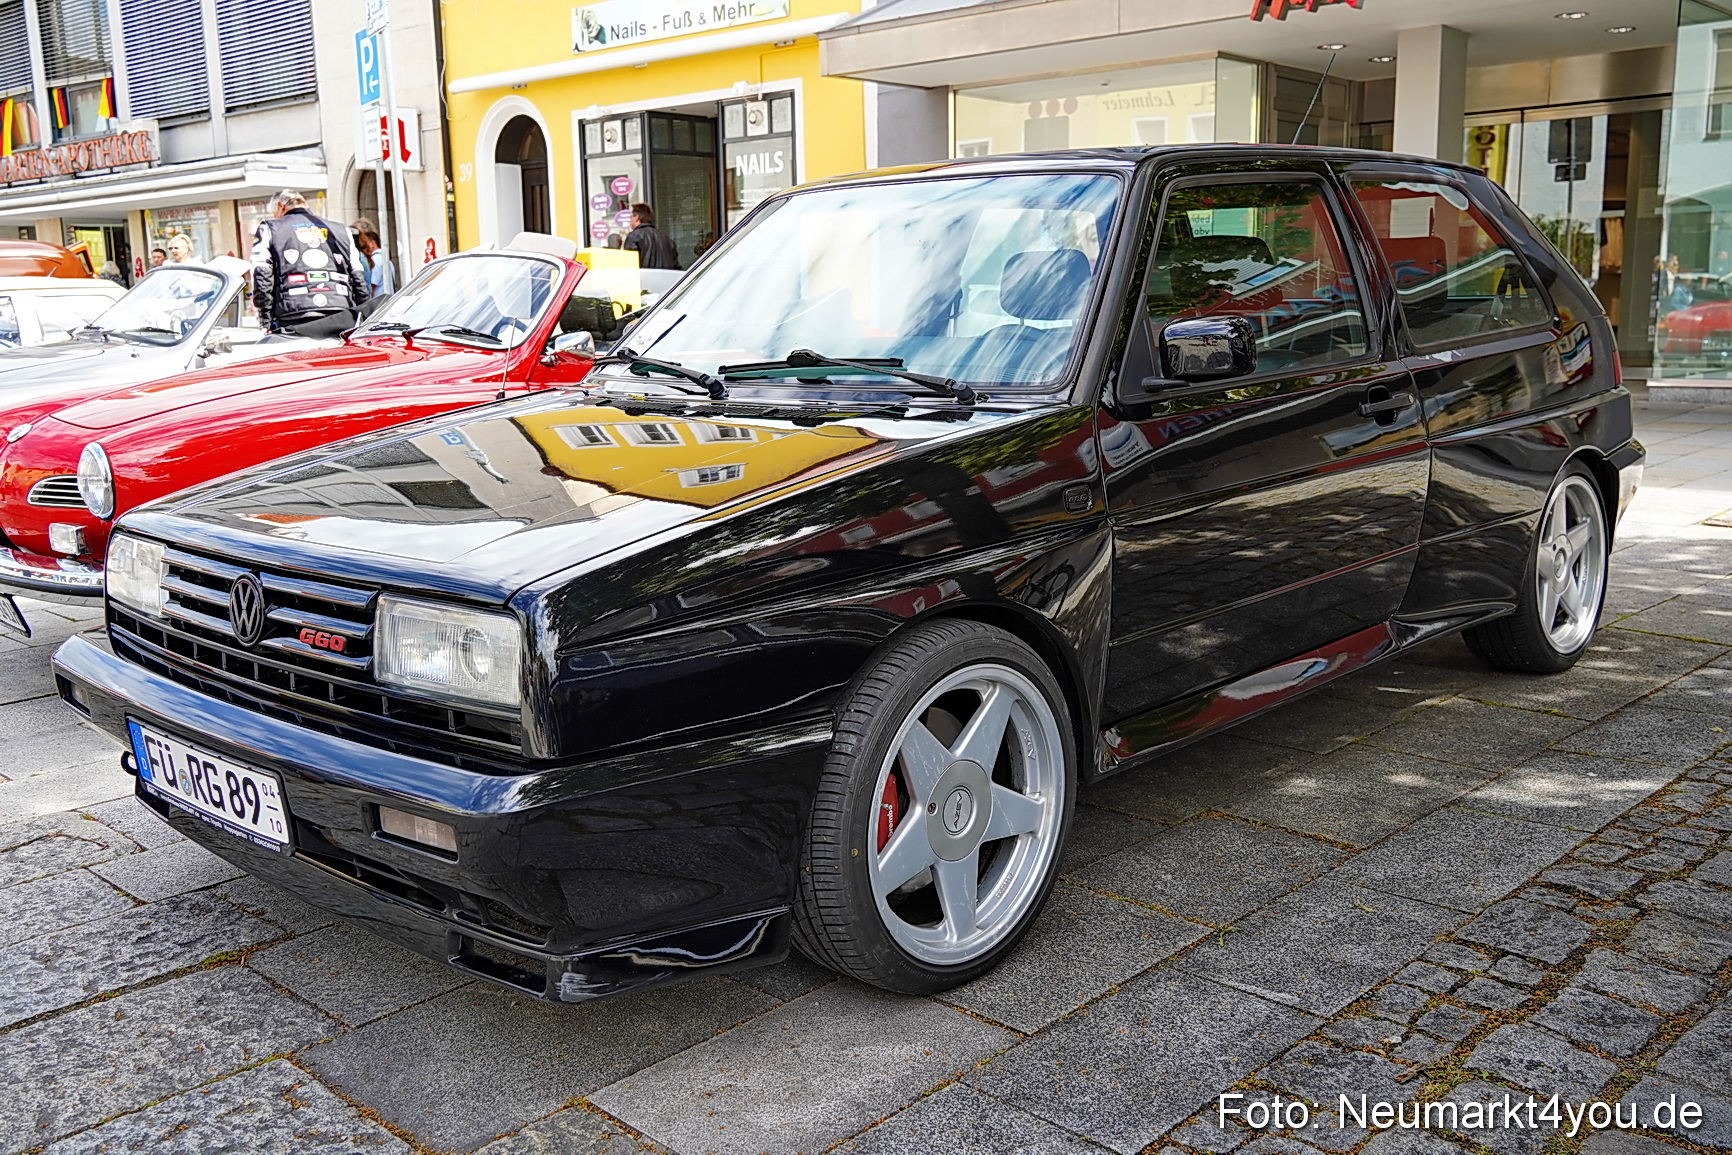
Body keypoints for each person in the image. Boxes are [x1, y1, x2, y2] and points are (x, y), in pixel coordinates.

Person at [251, 189, 367, 338]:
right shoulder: (342, 230)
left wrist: (264, 322)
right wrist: (361, 314)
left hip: (293, 315)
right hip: (340, 313)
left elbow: (262, 277)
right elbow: (358, 276)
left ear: (280, 206)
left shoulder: (269, 229)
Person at [622, 203, 679, 270]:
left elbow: (630, 265)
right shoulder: (667, 239)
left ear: (636, 217)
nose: (630, 221)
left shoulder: (634, 237)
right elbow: (676, 266)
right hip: (667, 279)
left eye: (631, 217)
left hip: (645, 279)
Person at [354, 226, 395, 297]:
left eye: (366, 242)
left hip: (379, 302)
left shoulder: (375, 259)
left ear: (373, 243)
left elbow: (372, 286)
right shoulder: (387, 260)